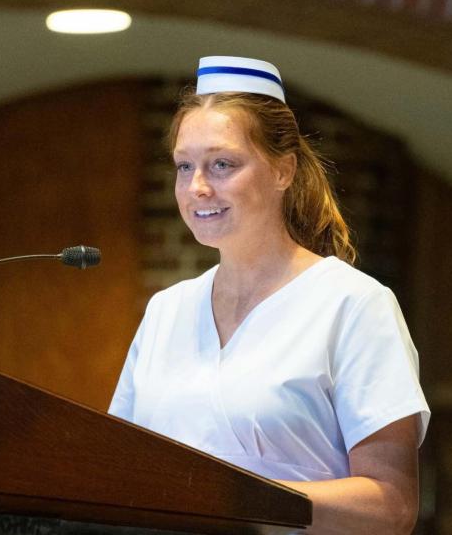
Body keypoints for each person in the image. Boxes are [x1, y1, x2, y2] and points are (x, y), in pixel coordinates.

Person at [109, 56, 430, 535]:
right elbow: (114, 473)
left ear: (284, 171)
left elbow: (391, 506)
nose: (197, 187)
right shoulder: (165, 311)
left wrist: (229, 498)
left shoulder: (353, 305)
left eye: (222, 164)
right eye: (183, 166)